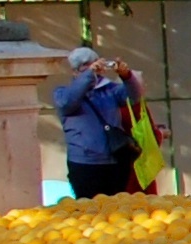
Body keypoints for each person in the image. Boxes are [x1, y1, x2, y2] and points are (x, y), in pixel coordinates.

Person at [53, 46, 139, 199]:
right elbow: (68, 103)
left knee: (116, 207)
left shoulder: (110, 90)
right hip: (84, 163)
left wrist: (127, 76)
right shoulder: (62, 93)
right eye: (84, 68)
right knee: (89, 210)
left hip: (115, 160)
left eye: (94, 65)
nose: (92, 71)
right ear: (74, 72)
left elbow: (134, 96)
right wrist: (88, 75)